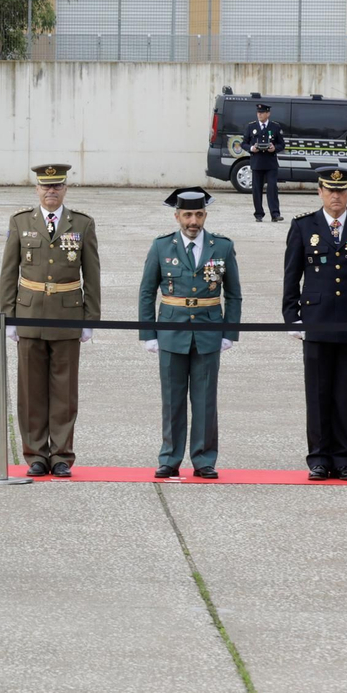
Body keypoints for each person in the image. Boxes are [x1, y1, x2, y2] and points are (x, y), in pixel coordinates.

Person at [0, 163, 99, 478]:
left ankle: (62, 456)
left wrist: (90, 318)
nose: (51, 191)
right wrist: (8, 317)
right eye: (46, 186)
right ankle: (36, 454)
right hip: (29, 314)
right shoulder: (20, 222)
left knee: (64, 391)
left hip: (67, 315)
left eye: (57, 186)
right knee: (30, 391)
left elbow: (92, 274)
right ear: (37, 190)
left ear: (65, 189)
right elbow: (8, 272)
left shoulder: (82, 224)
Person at [282, 167, 347, 481]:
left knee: (345, 394)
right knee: (318, 393)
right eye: (330, 190)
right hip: (316, 321)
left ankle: (343, 459)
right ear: (320, 192)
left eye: (341, 191)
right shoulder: (303, 226)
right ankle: (319, 460)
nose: (335, 196)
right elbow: (291, 276)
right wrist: (292, 317)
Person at [137, 188, 241, 480]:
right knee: (172, 398)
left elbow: (234, 294)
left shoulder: (221, 246)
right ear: (177, 216)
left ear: (205, 215)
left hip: (208, 331)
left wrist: (229, 332)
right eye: (187, 215)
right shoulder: (161, 247)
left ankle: (204, 458)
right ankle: (170, 458)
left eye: (198, 214)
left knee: (206, 398)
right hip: (171, 331)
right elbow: (147, 292)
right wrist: (149, 333)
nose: (192, 221)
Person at [241, 102, 286, 223]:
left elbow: (282, 144)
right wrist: (251, 148)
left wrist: (274, 148)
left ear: (268, 114)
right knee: (256, 189)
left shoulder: (275, 127)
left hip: (270, 163)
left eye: (262, 113)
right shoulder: (251, 127)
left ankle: (275, 214)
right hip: (257, 162)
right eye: (258, 113)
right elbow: (243, 143)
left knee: (272, 188)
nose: (259, 115)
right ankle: (258, 214)